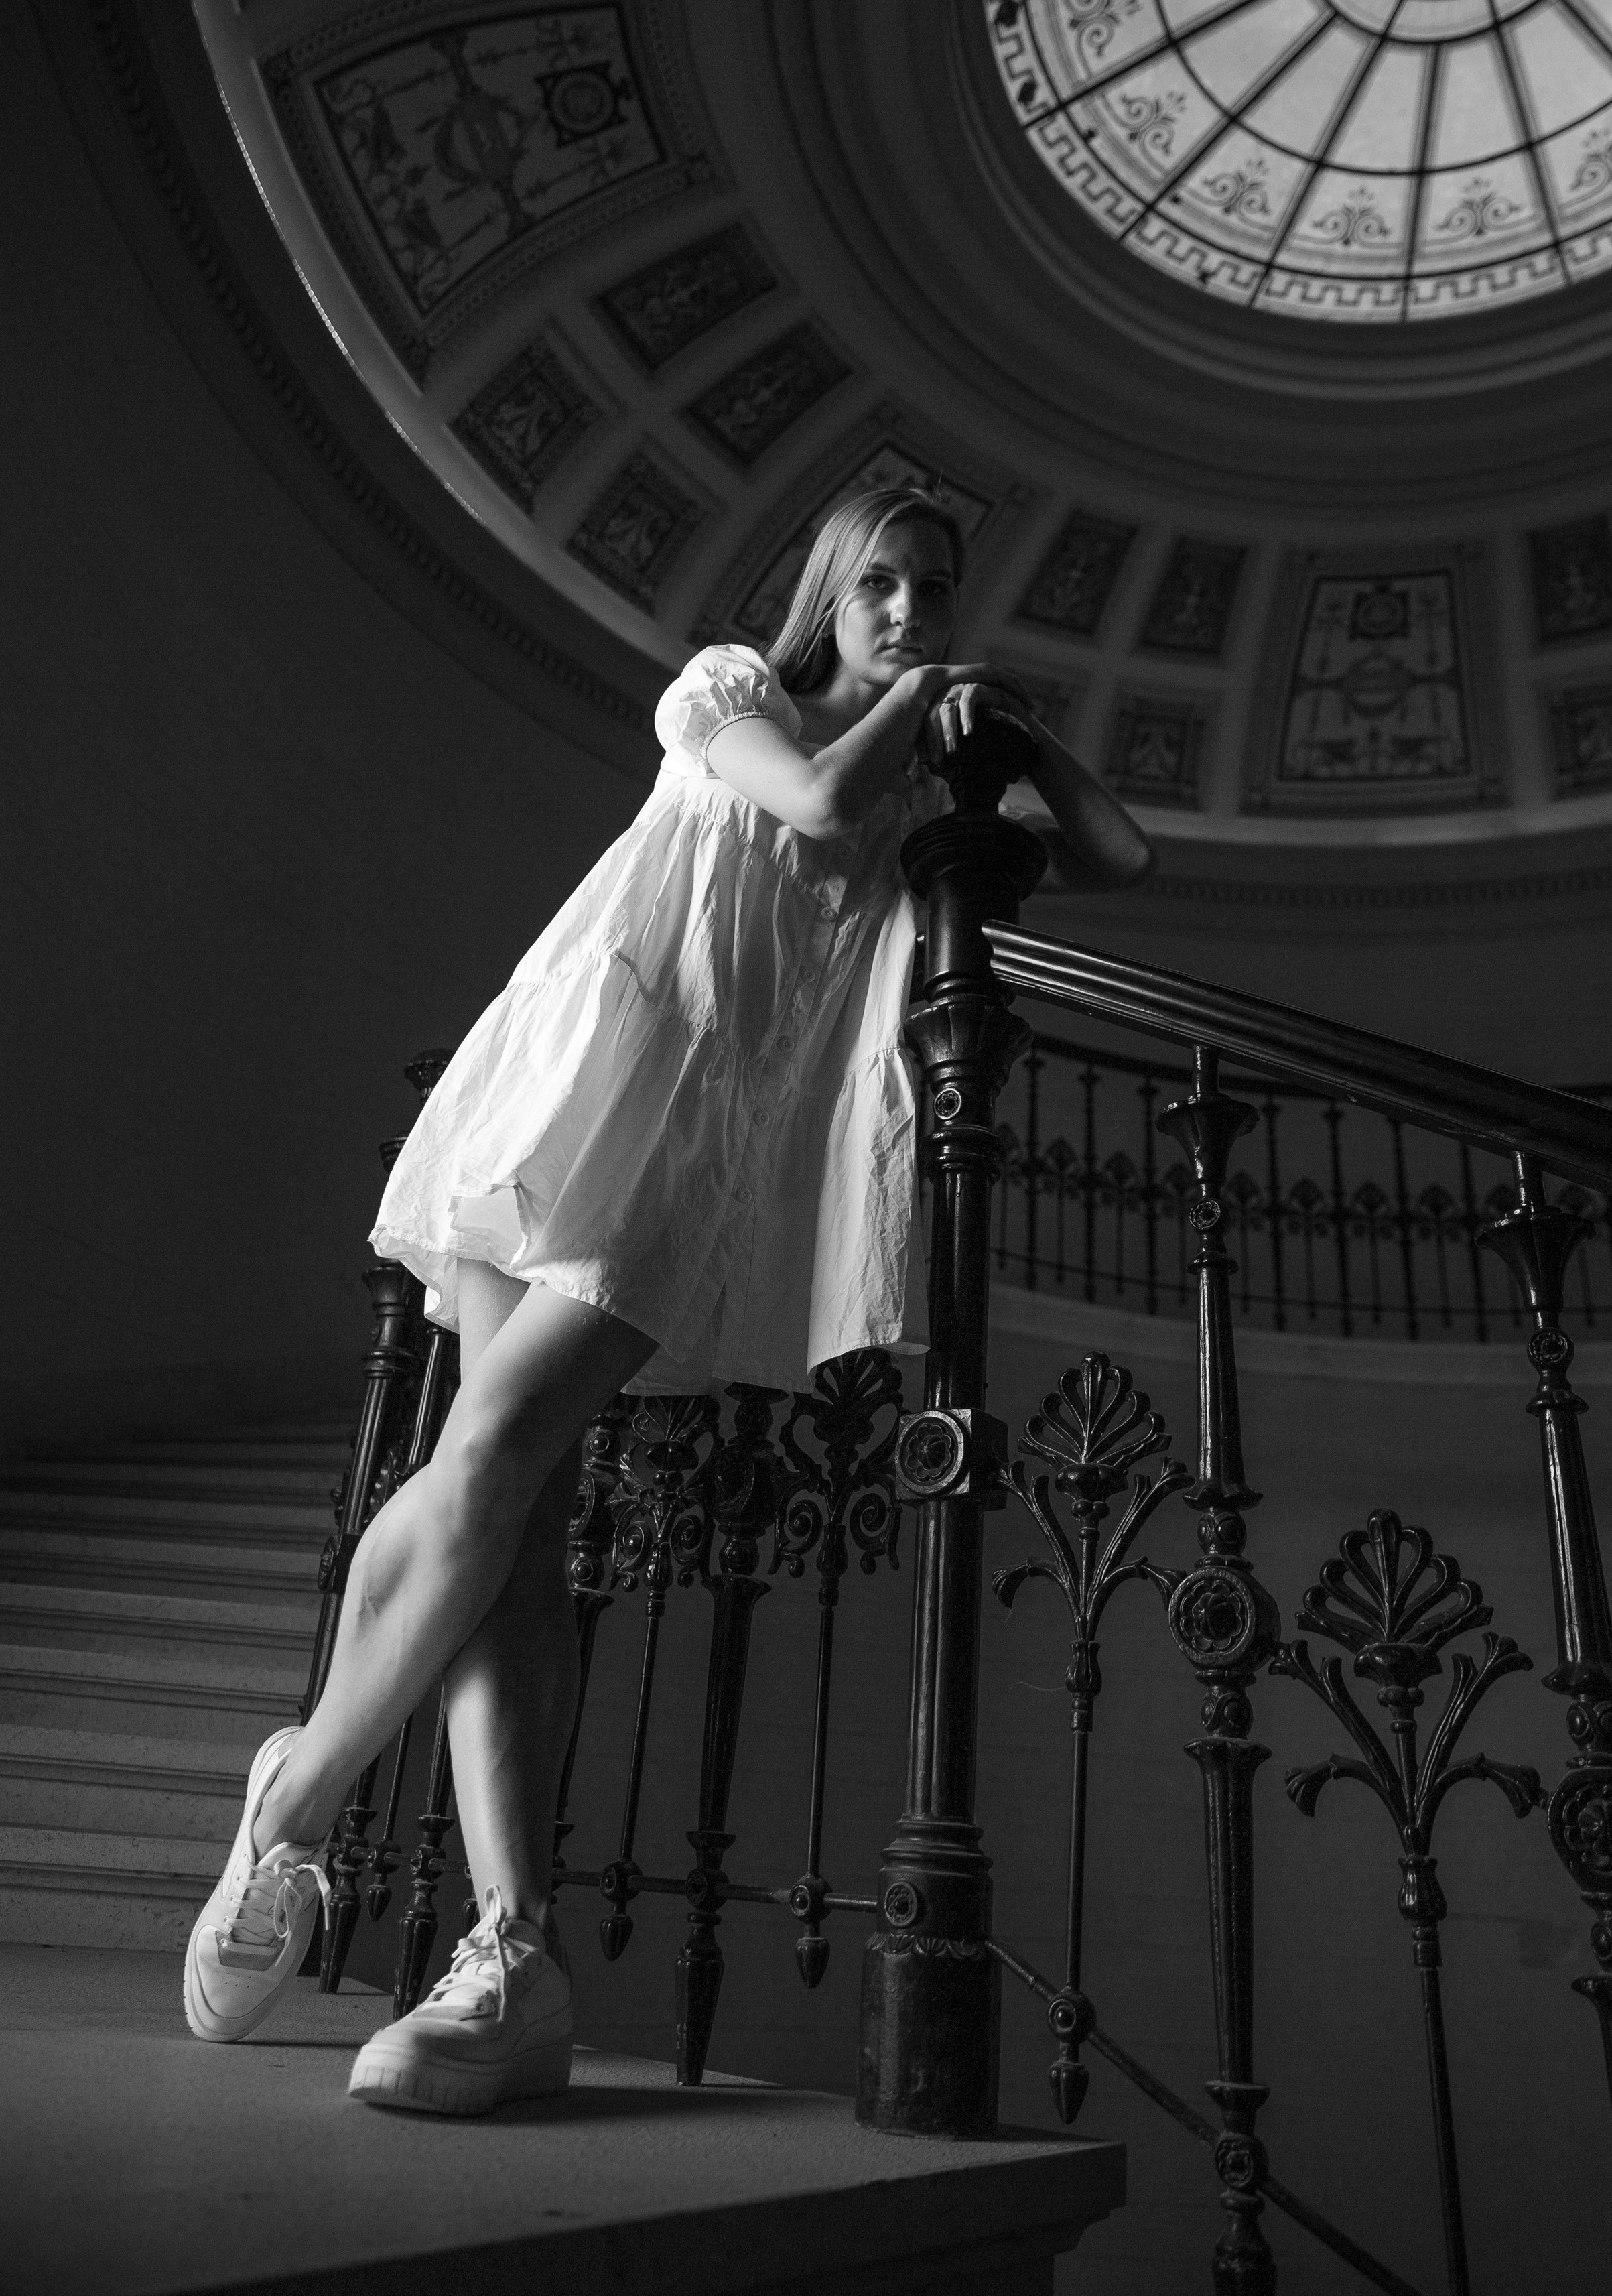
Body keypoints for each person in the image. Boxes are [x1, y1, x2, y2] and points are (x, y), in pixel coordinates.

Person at [182, 483, 1152, 2112]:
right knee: (516, 1500)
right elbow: (811, 808)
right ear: (831, 598)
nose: (912, 610)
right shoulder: (726, 691)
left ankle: (303, 1802)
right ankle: (493, 1934)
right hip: (569, 1085)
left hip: (692, 1156)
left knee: (494, 1479)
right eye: (884, 588)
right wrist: (923, 696)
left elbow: (1121, 851)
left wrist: (1023, 735)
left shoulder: (923, 793)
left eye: (936, 591)